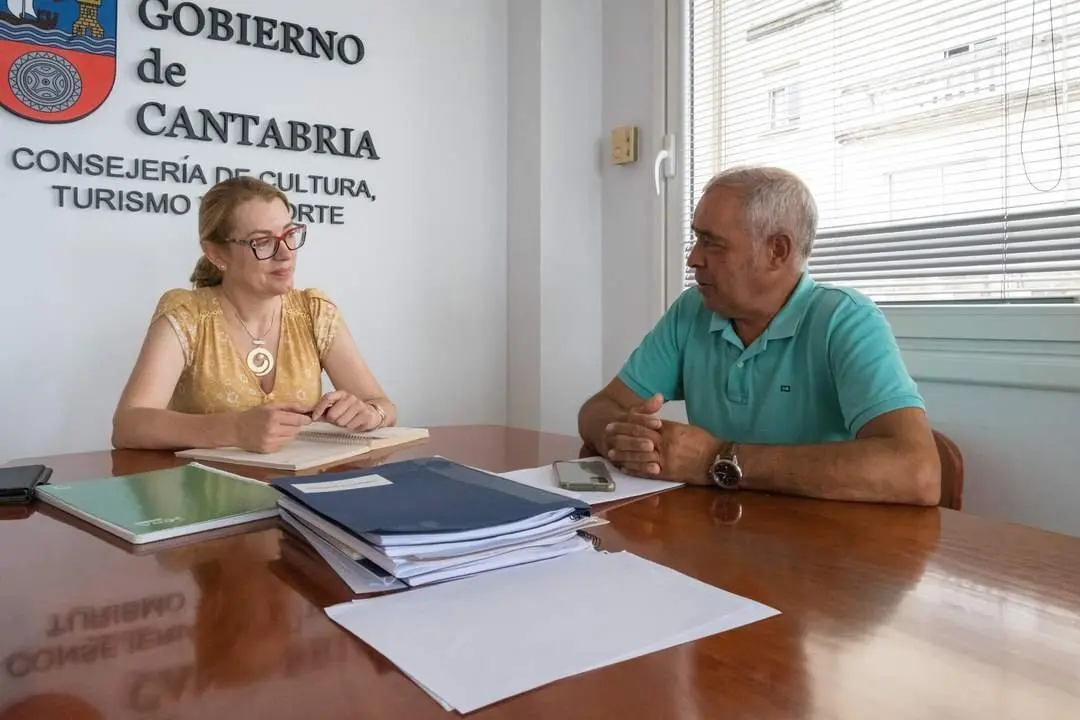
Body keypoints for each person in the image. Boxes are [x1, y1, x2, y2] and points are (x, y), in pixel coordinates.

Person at [578, 166, 941, 506]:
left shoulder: (845, 319)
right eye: (696, 240)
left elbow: (918, 472)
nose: (692, 259)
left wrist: (715, 458)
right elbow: (598, 408)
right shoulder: (693, 310)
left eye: (713, 243)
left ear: (776, 251)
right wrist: (618, 436)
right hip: (716, 533)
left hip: (820, 550)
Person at [112, 176, 396, 453]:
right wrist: (235, 429)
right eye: (261, 242)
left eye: (289, 234)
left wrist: (371, 414)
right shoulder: (187, 314)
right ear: (216, 254)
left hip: (297, 494)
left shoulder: (314, 311)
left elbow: (382, 404)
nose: (285, 253)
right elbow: (128, 426)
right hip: (206, 493)